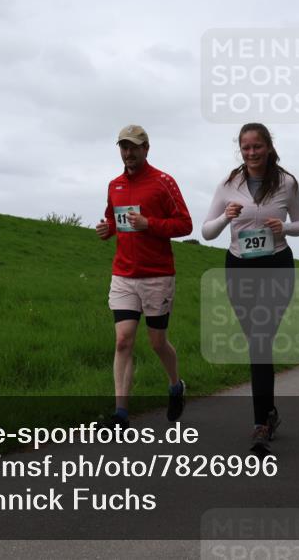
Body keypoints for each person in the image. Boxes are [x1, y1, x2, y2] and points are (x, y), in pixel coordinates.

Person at [202, 123, 299, 455]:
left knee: (261, 340)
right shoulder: (228, 184)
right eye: (245, 147)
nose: (251, 153)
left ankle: (260, 424)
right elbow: (206, 231)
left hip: (277, 266)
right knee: (256, 343)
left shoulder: (287, 183)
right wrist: (225, 219)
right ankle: (269, 413)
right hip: (240, 267)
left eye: (257, 147)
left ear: (268, 147)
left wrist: (286, 227)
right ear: (240, 149)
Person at [96, 125, 192, 429]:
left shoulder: (163, 182)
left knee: (156, 342)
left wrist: (149, 223)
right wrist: (107, 229)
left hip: (157, 276)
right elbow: (113, 219)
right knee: (123, 341)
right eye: (123, 147)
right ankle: (120, 414)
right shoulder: (114, 185)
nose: (128, 153)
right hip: (123, 274)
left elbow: (185, 224)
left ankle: (176, 385)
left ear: (146, 148)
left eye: (134, 147)